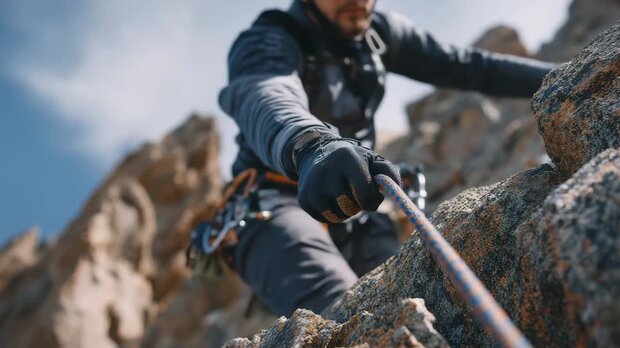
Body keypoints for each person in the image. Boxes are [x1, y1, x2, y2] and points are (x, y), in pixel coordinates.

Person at [218, 0, 556, 317]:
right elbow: (265, 93)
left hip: (357, 200)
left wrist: (568, 75)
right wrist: (310, 145)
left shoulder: (378, 33)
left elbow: (472, 68)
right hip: (275, 202)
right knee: (342, 311)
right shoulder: (271, 39)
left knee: (414, 306)